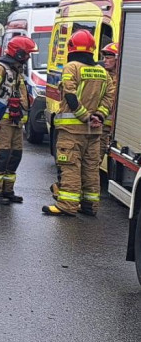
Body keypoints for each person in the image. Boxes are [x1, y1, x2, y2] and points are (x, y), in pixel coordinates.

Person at [42, 30, 117, 217]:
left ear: (71, 48)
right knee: (91, 168)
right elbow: (109, 98)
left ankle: (67, 205)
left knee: (70, 166)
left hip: (72, 130)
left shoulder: (72, 67)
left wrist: (84, 116)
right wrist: (99, 116)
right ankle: (90, 205)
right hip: (94, 131)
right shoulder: (102, 72)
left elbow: (69, 94)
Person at [0, 36, 37, 204]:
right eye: (27, 54)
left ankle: (7, 190)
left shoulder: (16, 70)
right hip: (1, 122)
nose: (28, 57)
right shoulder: (0, 69)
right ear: (18, 53)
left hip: (15, 122)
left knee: (14, 156)